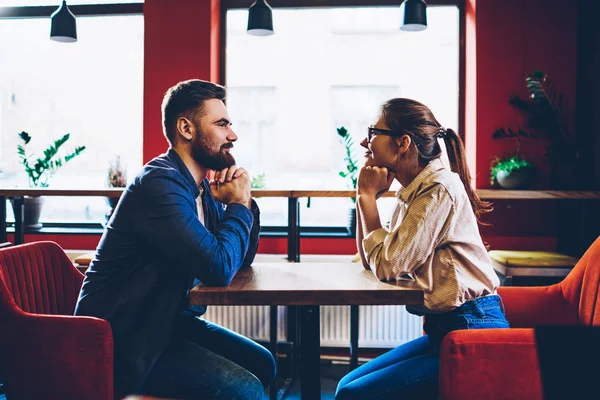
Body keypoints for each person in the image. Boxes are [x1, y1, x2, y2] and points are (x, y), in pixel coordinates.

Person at [74, 79, 275, 399]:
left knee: (262, 363)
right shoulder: (160, 184)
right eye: (222, 124)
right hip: (125, 338)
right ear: (186, 128)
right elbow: (219, 267)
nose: (233, 135)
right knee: (244, 390)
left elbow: (240, 259)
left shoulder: (198, 187)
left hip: (165, 324)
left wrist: (243, 202)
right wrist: (237, 206)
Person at [335, 98, 509, 400]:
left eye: (374, 132)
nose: (365, 141)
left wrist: (366, 196)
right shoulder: (413, 191)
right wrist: (365, 195)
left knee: (353, 395)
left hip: (472, 329)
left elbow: (387, 264)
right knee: (344, 387)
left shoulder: (438, 189)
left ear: (403, 143)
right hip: (447, 330)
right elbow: (371, 260)